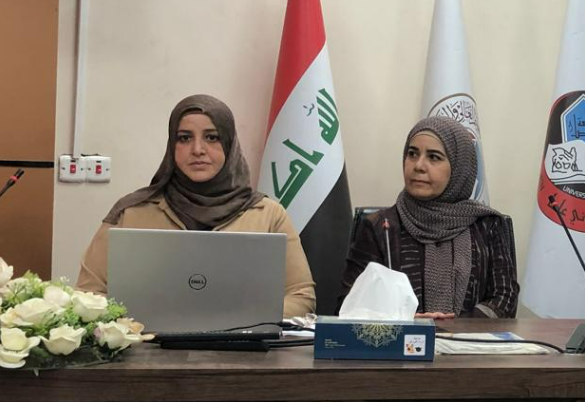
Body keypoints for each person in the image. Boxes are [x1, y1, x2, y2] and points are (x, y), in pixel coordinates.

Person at [77, 94, 316, 317]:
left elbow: (301, 296)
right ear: (172, 145)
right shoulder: (131, 212)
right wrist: (132, 320)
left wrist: (240, 318)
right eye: (185, 138)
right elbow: (88, 293)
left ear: (229, 143)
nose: (198, 150)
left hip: (242, 346)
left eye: (212, 137)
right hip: (148, 345)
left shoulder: (267, 214)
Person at [339, 116, 517, 319]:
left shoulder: (488, 225)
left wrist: (456, 326)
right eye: (412, 154)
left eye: (434, 157)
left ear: (459, 167)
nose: (419, 166)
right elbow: (349, 305)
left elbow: (505, 299)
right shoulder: (381, 227)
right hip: (398, 338)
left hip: (470, 338)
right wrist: (408, 322)